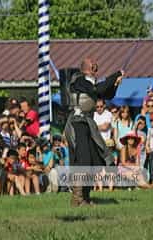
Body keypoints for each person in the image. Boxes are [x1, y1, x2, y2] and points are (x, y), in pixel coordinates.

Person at [62, 57, 124, 206]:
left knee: (94, 159)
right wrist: (115, 75)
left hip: (88, 123)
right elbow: (98, 90)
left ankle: (86, 196)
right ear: (86, 68)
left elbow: (107, 95)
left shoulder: (91, 83)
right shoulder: (79, 80)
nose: (96, 67)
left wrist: (115, 85)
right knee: (83, 160)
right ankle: (77, 198)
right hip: (77, 123)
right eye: (93, 65)